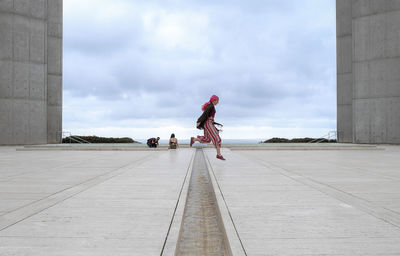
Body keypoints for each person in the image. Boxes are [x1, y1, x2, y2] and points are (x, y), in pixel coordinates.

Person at [190, 95, 225, 160]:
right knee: (217, 138)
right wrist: (199, 121)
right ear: (214, 100)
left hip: (209, 123)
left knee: (207, 139)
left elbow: (206, 114)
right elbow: (205, 114)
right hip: (208, 124)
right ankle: (219, 154)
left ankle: (193, 139)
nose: (218, 102)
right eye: (217, 101)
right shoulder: (211, 106)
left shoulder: (211, 106)